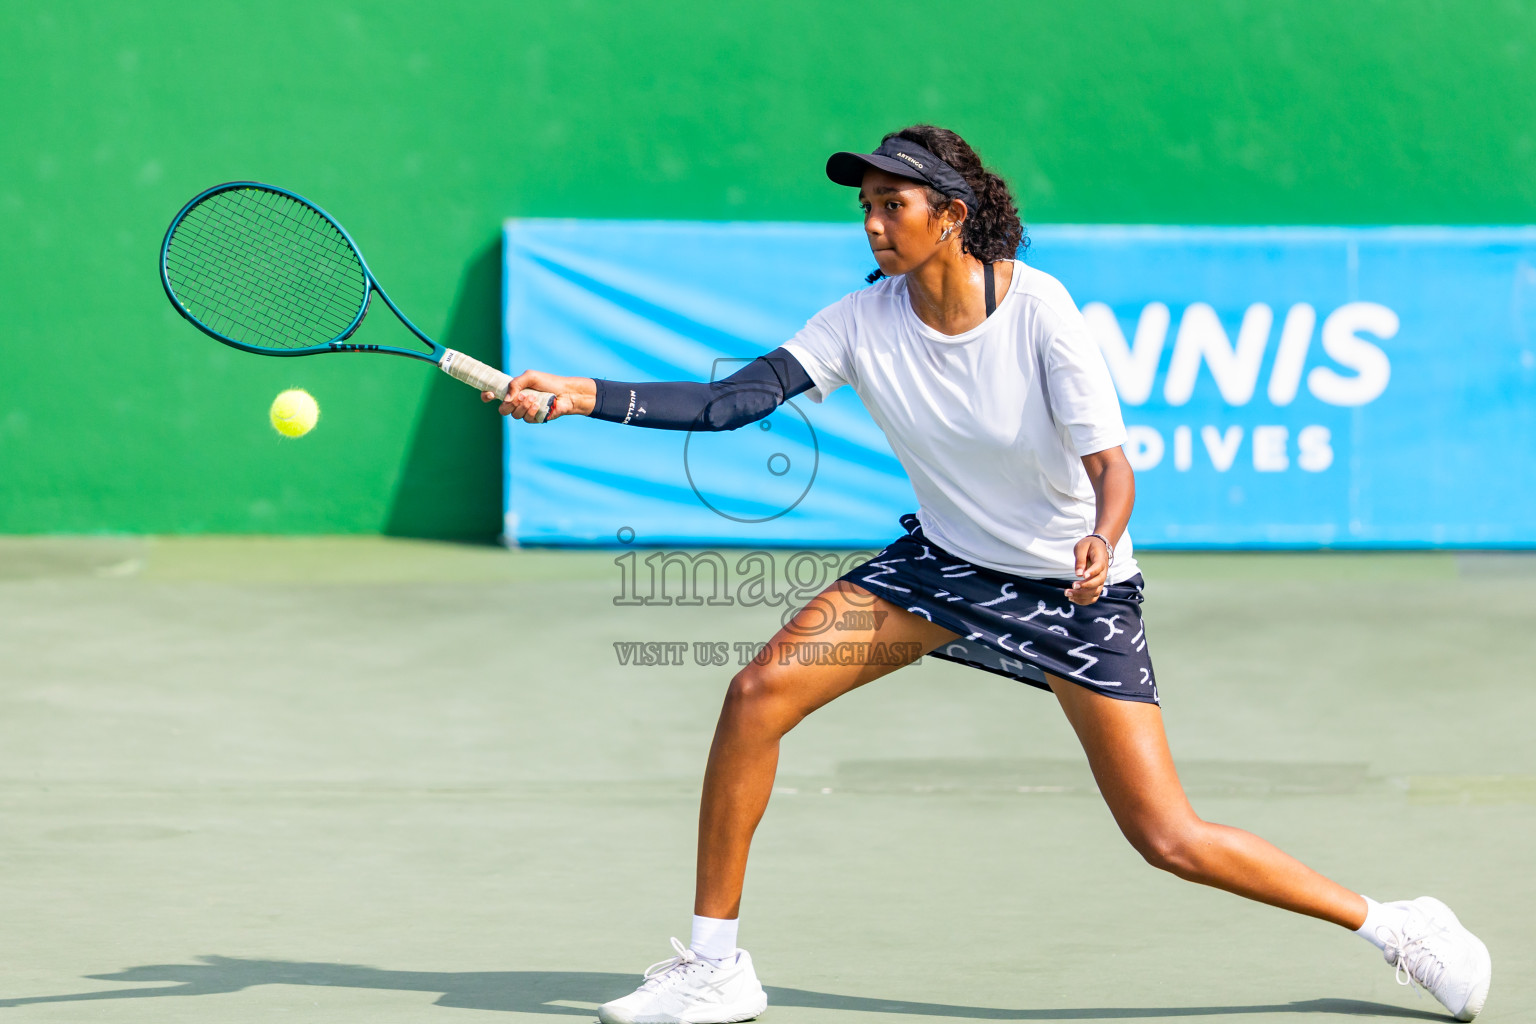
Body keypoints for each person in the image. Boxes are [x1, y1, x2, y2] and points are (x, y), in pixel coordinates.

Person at [487, 125, 1493, 1024]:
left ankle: (1395, 923)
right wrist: (581, 392)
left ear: (952, 215)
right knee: (756, 695)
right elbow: (733, 403)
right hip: (939, 569)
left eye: (895, 206)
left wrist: (1102, 537)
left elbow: (1112, 465)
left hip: (1072, 596)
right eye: (868, 207)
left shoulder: (1043, 309)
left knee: (1166, 836)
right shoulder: (858, 319)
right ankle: (714, 968)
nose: (875, 225)